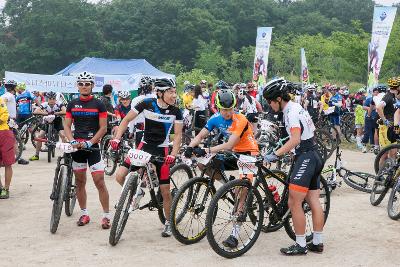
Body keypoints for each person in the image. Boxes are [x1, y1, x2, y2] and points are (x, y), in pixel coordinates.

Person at [184, 89, 259, 248]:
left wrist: (206, 150)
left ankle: (234, 235)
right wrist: (190, 147)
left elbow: (229, 144)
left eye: (230, 108)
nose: (227, 112)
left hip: (248, 152)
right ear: (218, 108)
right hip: (230, 153)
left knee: (242, 191)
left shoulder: (241, 119)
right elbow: (200, 135)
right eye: (224, 109)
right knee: (203, 164)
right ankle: (228, 185)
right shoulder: (215, 118)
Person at [110, 78, 183, 237]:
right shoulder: (147, 104)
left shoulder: (176, 111)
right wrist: (116, 138)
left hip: (162, 151)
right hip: (144, 147)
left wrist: (173, 154)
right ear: (159, 92)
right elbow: (126, 120)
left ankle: (169, 223)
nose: (174, 95)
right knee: (120, 176)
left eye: (174, 91)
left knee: (165, 191)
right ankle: (138, 192)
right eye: (170, 92)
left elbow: (177, 136)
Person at [262, 78, 325, 255]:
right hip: (314, 154)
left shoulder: (290, 112)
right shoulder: (297, 107)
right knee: (313, 200)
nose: (269, 105)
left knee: (294, 201)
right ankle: (317, 242)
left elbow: (295, 139)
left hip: (305, 157)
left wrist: (275, 154)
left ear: (279, 99)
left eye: (270, 101)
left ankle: (301, 244)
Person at [64, 71, 111, 229]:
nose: (84, 86)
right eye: (81, 84)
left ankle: (106, 216)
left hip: (93, 148)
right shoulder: (72, 104)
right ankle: (84, 213)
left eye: (87, 84)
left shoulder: (99, 104)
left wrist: (91, 143)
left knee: (99, 182)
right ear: (77, 86)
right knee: (80, 182)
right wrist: (71, 140)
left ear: (92, 85)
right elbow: (67, 125)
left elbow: (103, 128)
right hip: (77, 147)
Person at [29, 91, 66, 161]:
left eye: (53, 99)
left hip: (57, 120)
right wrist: (44, 113)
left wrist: (56, 113)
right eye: (50, 99)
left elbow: (65, 111)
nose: (52, 100)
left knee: (63, 136)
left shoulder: (59, 104)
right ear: (47, 99)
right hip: (46, 120)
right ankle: (36, 155)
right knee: (40, 136)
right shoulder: (44, 104)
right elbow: (35, 111)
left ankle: (66, 154)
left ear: (55, 99)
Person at [376, 77, 400, 169]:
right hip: (385, 128)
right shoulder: (388, 96)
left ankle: (391, 175)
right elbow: (378, 107)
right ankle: (379, 175)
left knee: (393, 152)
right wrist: (385, 120)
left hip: (393, 127)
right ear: (397, 87)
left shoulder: (396, 96)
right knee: (385, 154)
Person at [0, 96, 15, 199]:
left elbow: (5, 115)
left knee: (7, 163)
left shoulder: (0, 101)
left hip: (3, 133)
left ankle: (6, 188)